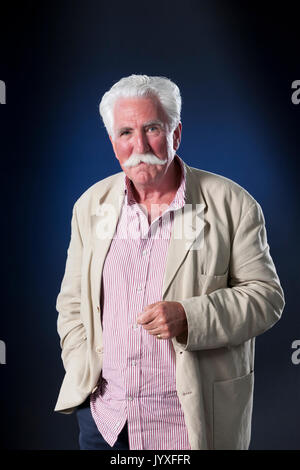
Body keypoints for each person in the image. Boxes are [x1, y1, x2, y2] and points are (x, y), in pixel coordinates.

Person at [54, 74, 285, 450]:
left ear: (176, 134)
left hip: (189, 425)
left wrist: (189, 316)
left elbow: (266, 298)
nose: (139, 144)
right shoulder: (90, 206)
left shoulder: (233, 204)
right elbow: (72, 302)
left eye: (152, 129)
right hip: (107, 422)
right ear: (113, 143)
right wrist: (83, 367)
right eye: (126, 132)